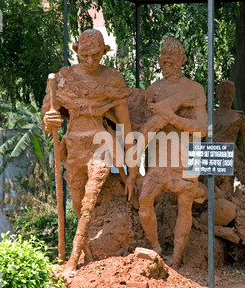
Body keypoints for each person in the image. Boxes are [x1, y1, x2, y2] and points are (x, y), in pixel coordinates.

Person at [42, 29, 138, 275]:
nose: (90, 60)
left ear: (104, 52)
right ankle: (88, 254)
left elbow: (125, 126)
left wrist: (133, 169)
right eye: (84, 55)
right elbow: (48, 116)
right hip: (74, 144)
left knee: (89, 199)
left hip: (101, 143)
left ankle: (73, 262)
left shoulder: (113, 79)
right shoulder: (63, 79)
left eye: (95, 55)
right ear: (77, 51)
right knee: (76, 202)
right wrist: (50, 120)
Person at [138, 36, 208, 269]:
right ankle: (156, 248)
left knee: (185, 205)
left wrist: (170, 117)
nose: (167, 60)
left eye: (173, 55)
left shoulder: (194, 89)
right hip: (159, 156)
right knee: (145, 199)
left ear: (183, 59)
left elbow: (201, 129)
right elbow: (144, 126)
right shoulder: (154, 90)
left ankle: (177, 257)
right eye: (164, 56)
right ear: (158, 60)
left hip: (187, 154)